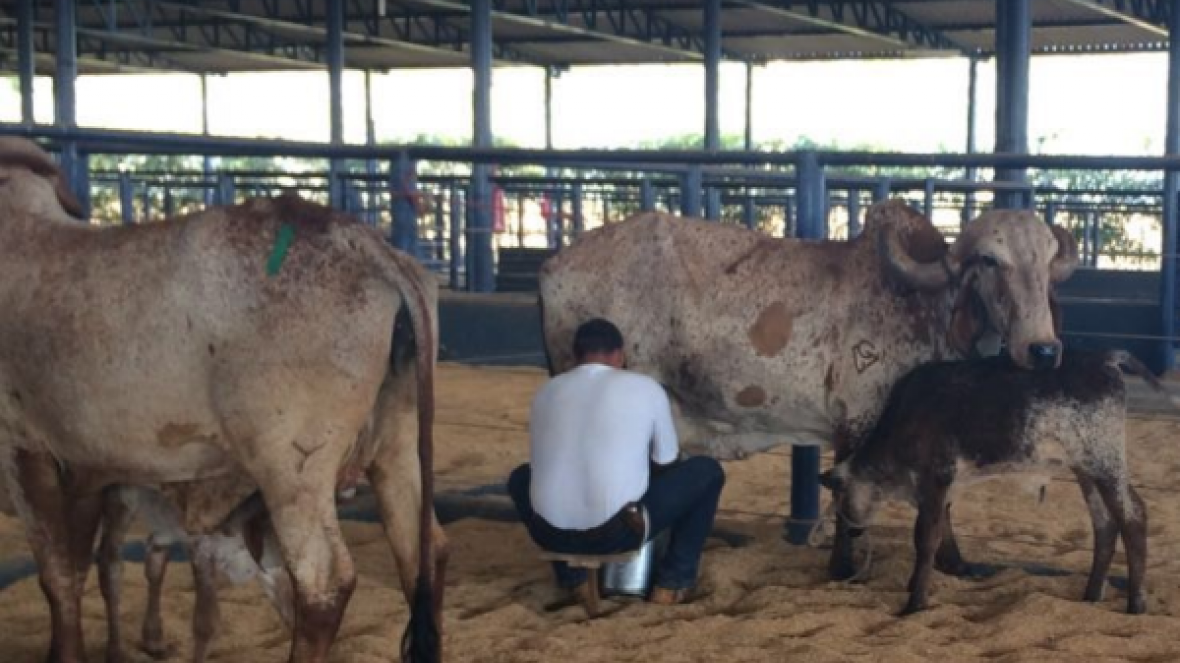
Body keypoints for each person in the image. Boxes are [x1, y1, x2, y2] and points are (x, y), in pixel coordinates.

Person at [507, 318, 726, 607]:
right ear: (619, 355)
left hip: (549, 534)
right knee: (707, 472)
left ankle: (574, 580)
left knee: (520, 477)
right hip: (615, 534)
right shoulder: (646, 387)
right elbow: (667, 461)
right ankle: (673, 582)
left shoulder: (547, 391)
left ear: (576, 355)